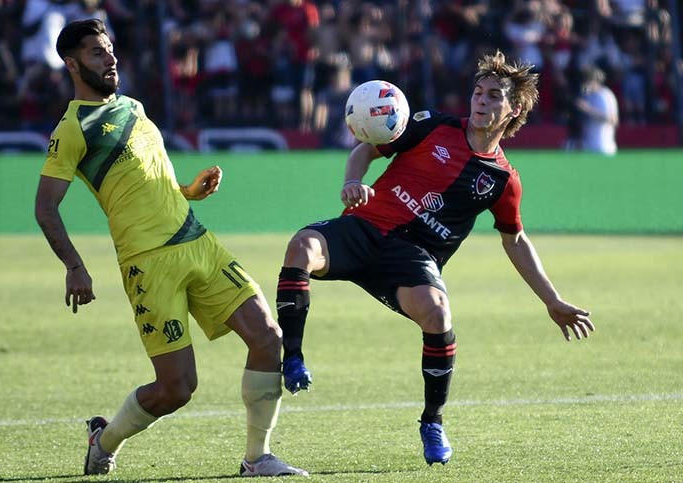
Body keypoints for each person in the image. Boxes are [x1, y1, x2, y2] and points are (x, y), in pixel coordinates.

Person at [275, 50, 595, 466]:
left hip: (412, 257)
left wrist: (552, 301)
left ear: (513, 110)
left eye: (494, 95)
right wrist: (353, 181)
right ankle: (294, 358)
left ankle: (432, 421)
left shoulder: (503, 180)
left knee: (439, 315)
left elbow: (515, 241)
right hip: (366, 226)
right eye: (478, 92)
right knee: (302, 246)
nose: (481, 101)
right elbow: (368, 148)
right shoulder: (434, 125)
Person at [34, 19, 307, 478]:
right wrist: (74, 266)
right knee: (176, 388)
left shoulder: (134, 106)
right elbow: (45, 208)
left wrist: (187, 191)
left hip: (198, 241)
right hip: (148, 263)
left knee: (267, 337)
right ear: (72, 62)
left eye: (110, 49)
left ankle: (257, 458)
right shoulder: (73, 130)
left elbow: (146, 179)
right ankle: (103, 439)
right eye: (98, 53)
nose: (110, 58)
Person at [575, 66, 619, 155]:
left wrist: (589, 110)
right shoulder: (587, 95)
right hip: (588, 148)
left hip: (603, 148)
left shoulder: (605, 96)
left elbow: (613, 120)